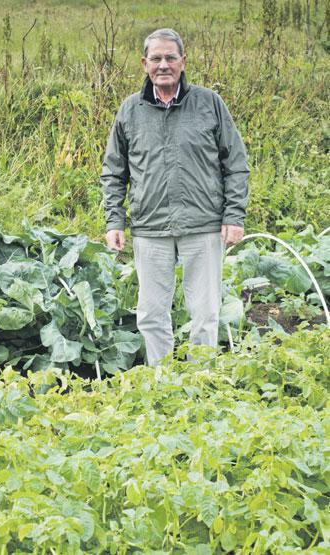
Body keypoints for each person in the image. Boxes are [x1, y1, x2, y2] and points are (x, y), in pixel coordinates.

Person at [101, 28, 249, 366]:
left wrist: (234, 215)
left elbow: (235, 164)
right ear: (144, 64)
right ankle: (162, 382)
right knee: (152, 314)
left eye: (170, 57)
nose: (163, 64)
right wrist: (114, 220)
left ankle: (201, 381)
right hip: (150, 226)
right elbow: (113, 171)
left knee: (205, 313)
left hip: (203, 224)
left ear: (183, 62)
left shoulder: (209, 103)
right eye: (156, 58)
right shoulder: (130, 111)